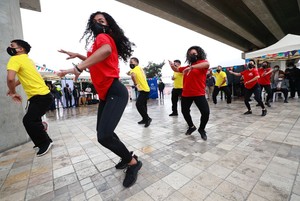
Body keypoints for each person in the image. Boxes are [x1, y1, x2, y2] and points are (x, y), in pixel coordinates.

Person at [57, 11, 141, 188]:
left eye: (101, 21)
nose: (98, 24)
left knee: (104, 136)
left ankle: (132, 163)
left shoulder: (103, 37)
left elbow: (106, 51)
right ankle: (127, 155)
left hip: (115, 91)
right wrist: (78, 57)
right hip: (105, 94)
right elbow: (94, 60)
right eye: (95, 21)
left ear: (108, 25)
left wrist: (78, 67)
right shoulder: (98, 42)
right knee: (104, 132)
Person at [6, 39, 53, 156]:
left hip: (40, 96)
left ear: (21, 49)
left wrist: (13, 92)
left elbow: (10, 78)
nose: (9, 47)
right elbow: (22, 79)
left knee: (29, 120)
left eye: (12, 45)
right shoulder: (28, 60)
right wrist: (12, 88)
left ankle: (44, 143)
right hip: (42, 95)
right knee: (34, 120)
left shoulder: (15, 59)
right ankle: (45, 141)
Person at [169, 46, 210, 140]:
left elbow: (207, 64)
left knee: (206, 112)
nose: (192, 55)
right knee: (185, 111)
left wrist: (191, 67)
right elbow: (176, 69)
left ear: (199, 54)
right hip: (186, 94)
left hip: (198, 93)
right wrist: (172, 65)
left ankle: (202, 129)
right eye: (190, 54)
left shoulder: (202, 63)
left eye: (194, 53)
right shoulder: (186, 67)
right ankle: (191, 126)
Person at [129, 57, 152, 128]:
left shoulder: (134, 69)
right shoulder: (139, 68)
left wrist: (136, 84)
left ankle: (147, 118)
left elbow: (133, 75)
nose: (130, 63)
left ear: (136, 63)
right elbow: (132, 74)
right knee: (143, 105)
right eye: (130, 62)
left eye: (132, 62)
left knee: (138, 104)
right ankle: (144, 119)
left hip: (143, 90)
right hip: (146, 89)